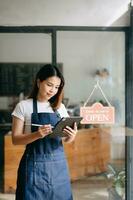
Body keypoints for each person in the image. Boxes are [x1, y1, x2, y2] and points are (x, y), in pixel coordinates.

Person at [12, 64, 77, 200]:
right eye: (49, 85)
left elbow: (66, 140)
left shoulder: (60, 108)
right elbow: (15, 139)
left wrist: (72, 136)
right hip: (33, 166)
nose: (52, 90)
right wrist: (37, 134)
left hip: (58, 167)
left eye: (56, 87)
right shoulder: (23, 106)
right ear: (38, 82)